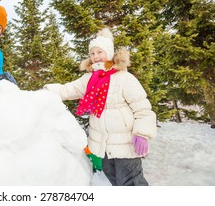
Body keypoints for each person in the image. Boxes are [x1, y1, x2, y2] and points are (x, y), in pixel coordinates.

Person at [43, 27, 157, 186]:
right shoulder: (89, 78)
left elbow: (143, 108)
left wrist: (142, 133)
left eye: (100, 52)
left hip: (125, 145)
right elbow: (69, 89)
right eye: (92, 53)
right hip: (102, 146)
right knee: (115, 181)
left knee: (132, 183)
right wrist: (46, 91)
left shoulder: (124, 78)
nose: (96, 57)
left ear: (109, 53)